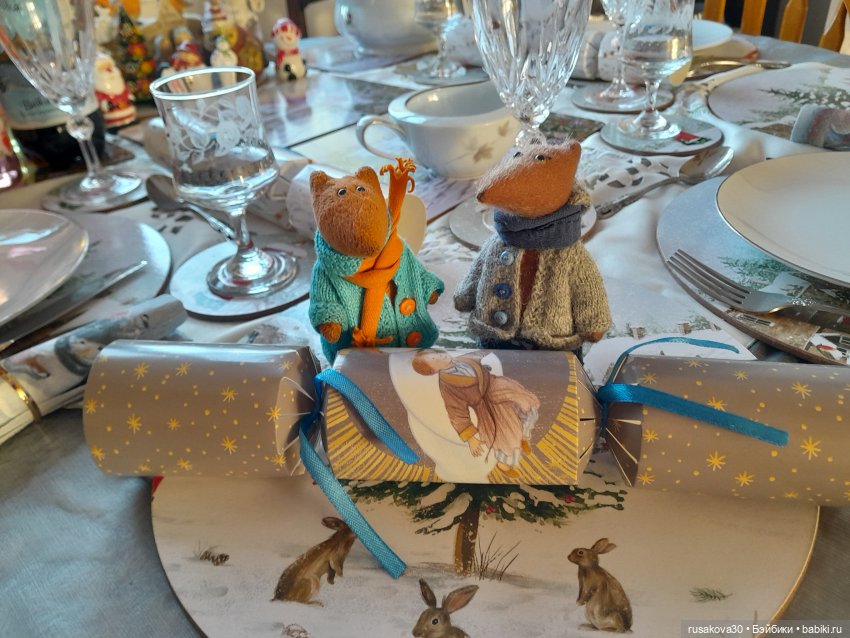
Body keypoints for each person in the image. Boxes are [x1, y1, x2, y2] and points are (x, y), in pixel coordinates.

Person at [412, 349, 540, 480]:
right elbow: (456, 411)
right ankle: (503, 465)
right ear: (433, 370)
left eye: (435, 353)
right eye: (434, 359)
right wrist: (470, 438)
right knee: (504, 437)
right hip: (487, 405)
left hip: (499, 386)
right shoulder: (447, 385)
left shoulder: (462, 359)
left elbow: (480, 353)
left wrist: (492, 346)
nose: (439, 355)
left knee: (528, 408)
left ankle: (524, 436)